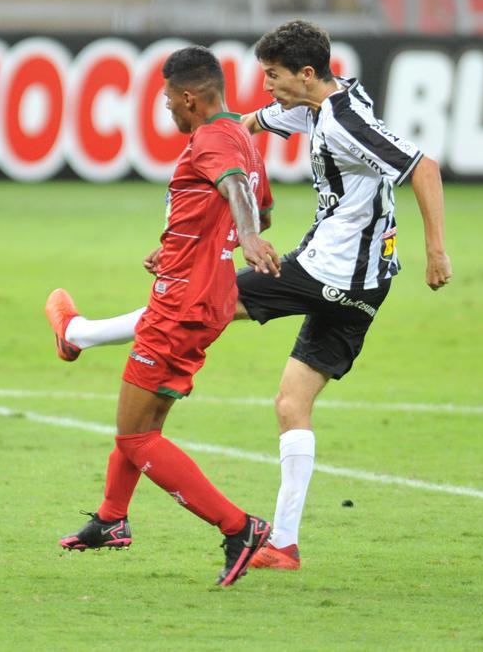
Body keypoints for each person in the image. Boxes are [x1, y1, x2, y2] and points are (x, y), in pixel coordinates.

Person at [46, 20, 452, 570]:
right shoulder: (321, 101)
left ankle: (78, 334)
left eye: (273, 76)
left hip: (325, 269)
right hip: (369, 285)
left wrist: (436, 251)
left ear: (306, 75)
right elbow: (248, 122)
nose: (266, 86)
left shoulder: (345, 119)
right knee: (292, 404)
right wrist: (225, 126)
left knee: (196, 299)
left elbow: (422, 166)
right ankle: (283, 545)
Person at [55, 45, 280, 587]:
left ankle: (238, 527)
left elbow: (238, 197)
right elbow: (260, 204)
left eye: (167, 101)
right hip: (204, 294)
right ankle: (111, 518)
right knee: (144, 421)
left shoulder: (211, 139)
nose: (166, 111)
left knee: (135, 435)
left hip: (181, 304)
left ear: (189, 98)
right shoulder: (244, 139)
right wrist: (188, 242)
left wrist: (243, 237)